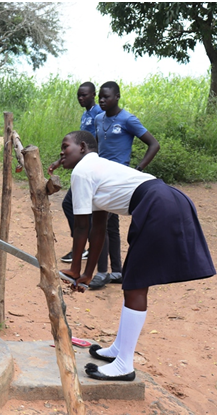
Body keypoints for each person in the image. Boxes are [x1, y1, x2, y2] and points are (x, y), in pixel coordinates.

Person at [58, 130, 214, 381]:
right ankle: (119, 351)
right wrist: (88, 274)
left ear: (83, 148)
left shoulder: (82, 171)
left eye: (66, 146)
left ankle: (124, 365)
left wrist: (75, 270)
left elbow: (80, 227)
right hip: (166, 200)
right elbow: (98, 229)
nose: (62, 153)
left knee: (135, 285)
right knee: (133, 280)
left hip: (157, 204)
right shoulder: (97, 168)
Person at [88, 81, 160, 288]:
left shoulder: (127, 119)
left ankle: (102, 272)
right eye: (100, 97)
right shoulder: (99, 119)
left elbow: (153, 144)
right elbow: (95, 146)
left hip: (118, 180)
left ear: (117, 97)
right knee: (110, 225)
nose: (102, 100)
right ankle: (117, 271)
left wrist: (138, 169)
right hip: (100, 177)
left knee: (98, 224)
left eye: (107, 97)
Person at [48, 82, 103, 265]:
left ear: (93, 94)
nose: (81, 98)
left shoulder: (98, 114)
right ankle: (83, 247)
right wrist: (61, 160)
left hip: (92, 168)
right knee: (72, 205)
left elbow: (96, 143)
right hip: (83, 165)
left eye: (85, 95)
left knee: (77, 206)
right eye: (79, 95)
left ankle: (85, 249)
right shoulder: (85, 114)